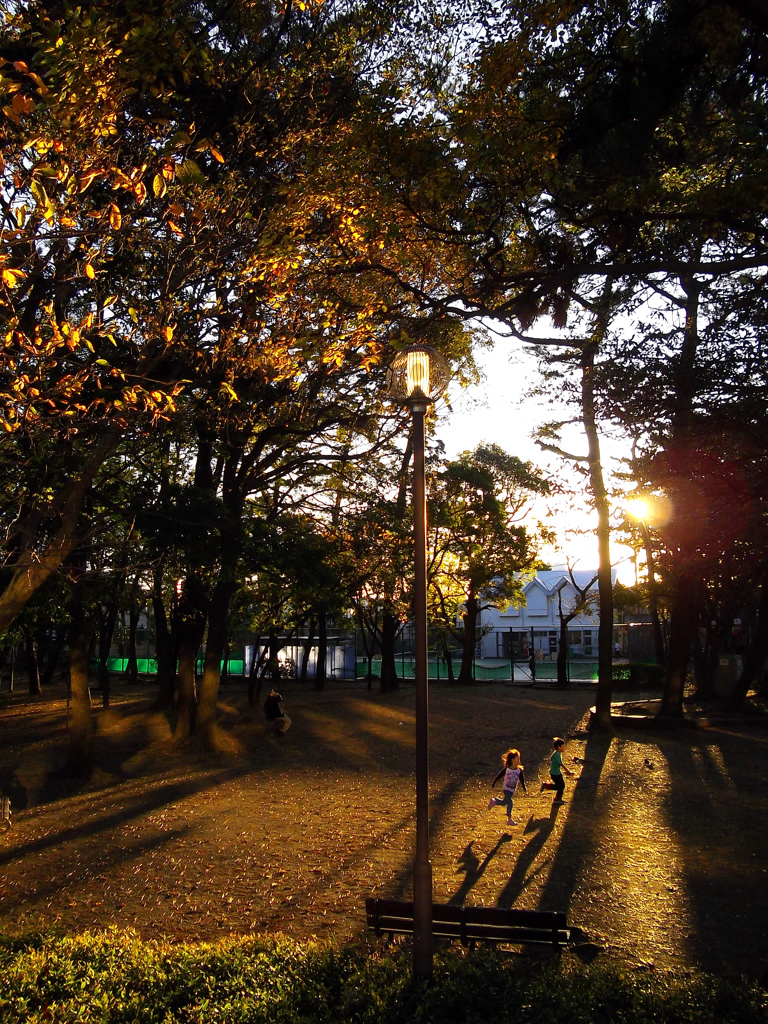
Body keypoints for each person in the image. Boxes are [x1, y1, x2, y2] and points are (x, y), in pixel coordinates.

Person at [487, 748, 528, 827]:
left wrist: (524, 787)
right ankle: (509, 819)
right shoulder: (507, 769)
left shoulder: (519, 770)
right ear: (513, 760)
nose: (519, 760)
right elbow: (500, 775)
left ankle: (494, 801)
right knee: (510, 803)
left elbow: (522, 780)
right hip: (506, 789)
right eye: (517, 758)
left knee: (504, 802)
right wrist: (494, 781)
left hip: (512, 790)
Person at [540, 737, 575, 803]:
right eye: (563, 746)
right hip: (556, 774)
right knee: (561, 786)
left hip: (555, 773)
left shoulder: (556, 753)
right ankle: (556, 798)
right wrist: (568, 772)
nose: (564, 747)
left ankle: (548, 788)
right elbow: (561, 764)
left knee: (559, 786)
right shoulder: (557, 755)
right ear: (559, 747)